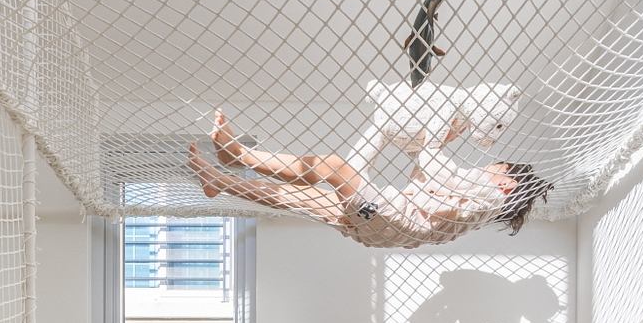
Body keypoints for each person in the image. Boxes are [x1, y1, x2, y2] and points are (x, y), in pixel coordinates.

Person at [189, 110, 551, 248]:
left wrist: (438, 132)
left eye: (497, 167)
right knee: (300, 198)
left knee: (335, 168)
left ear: (507, 183)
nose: (488, 166)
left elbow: (431, 161)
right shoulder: (476, 201)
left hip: (391, 219)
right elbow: (425, 175)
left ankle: (237, 155)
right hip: (383, 225)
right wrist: (427, 141)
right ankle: (220, 182)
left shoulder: (489, 196)